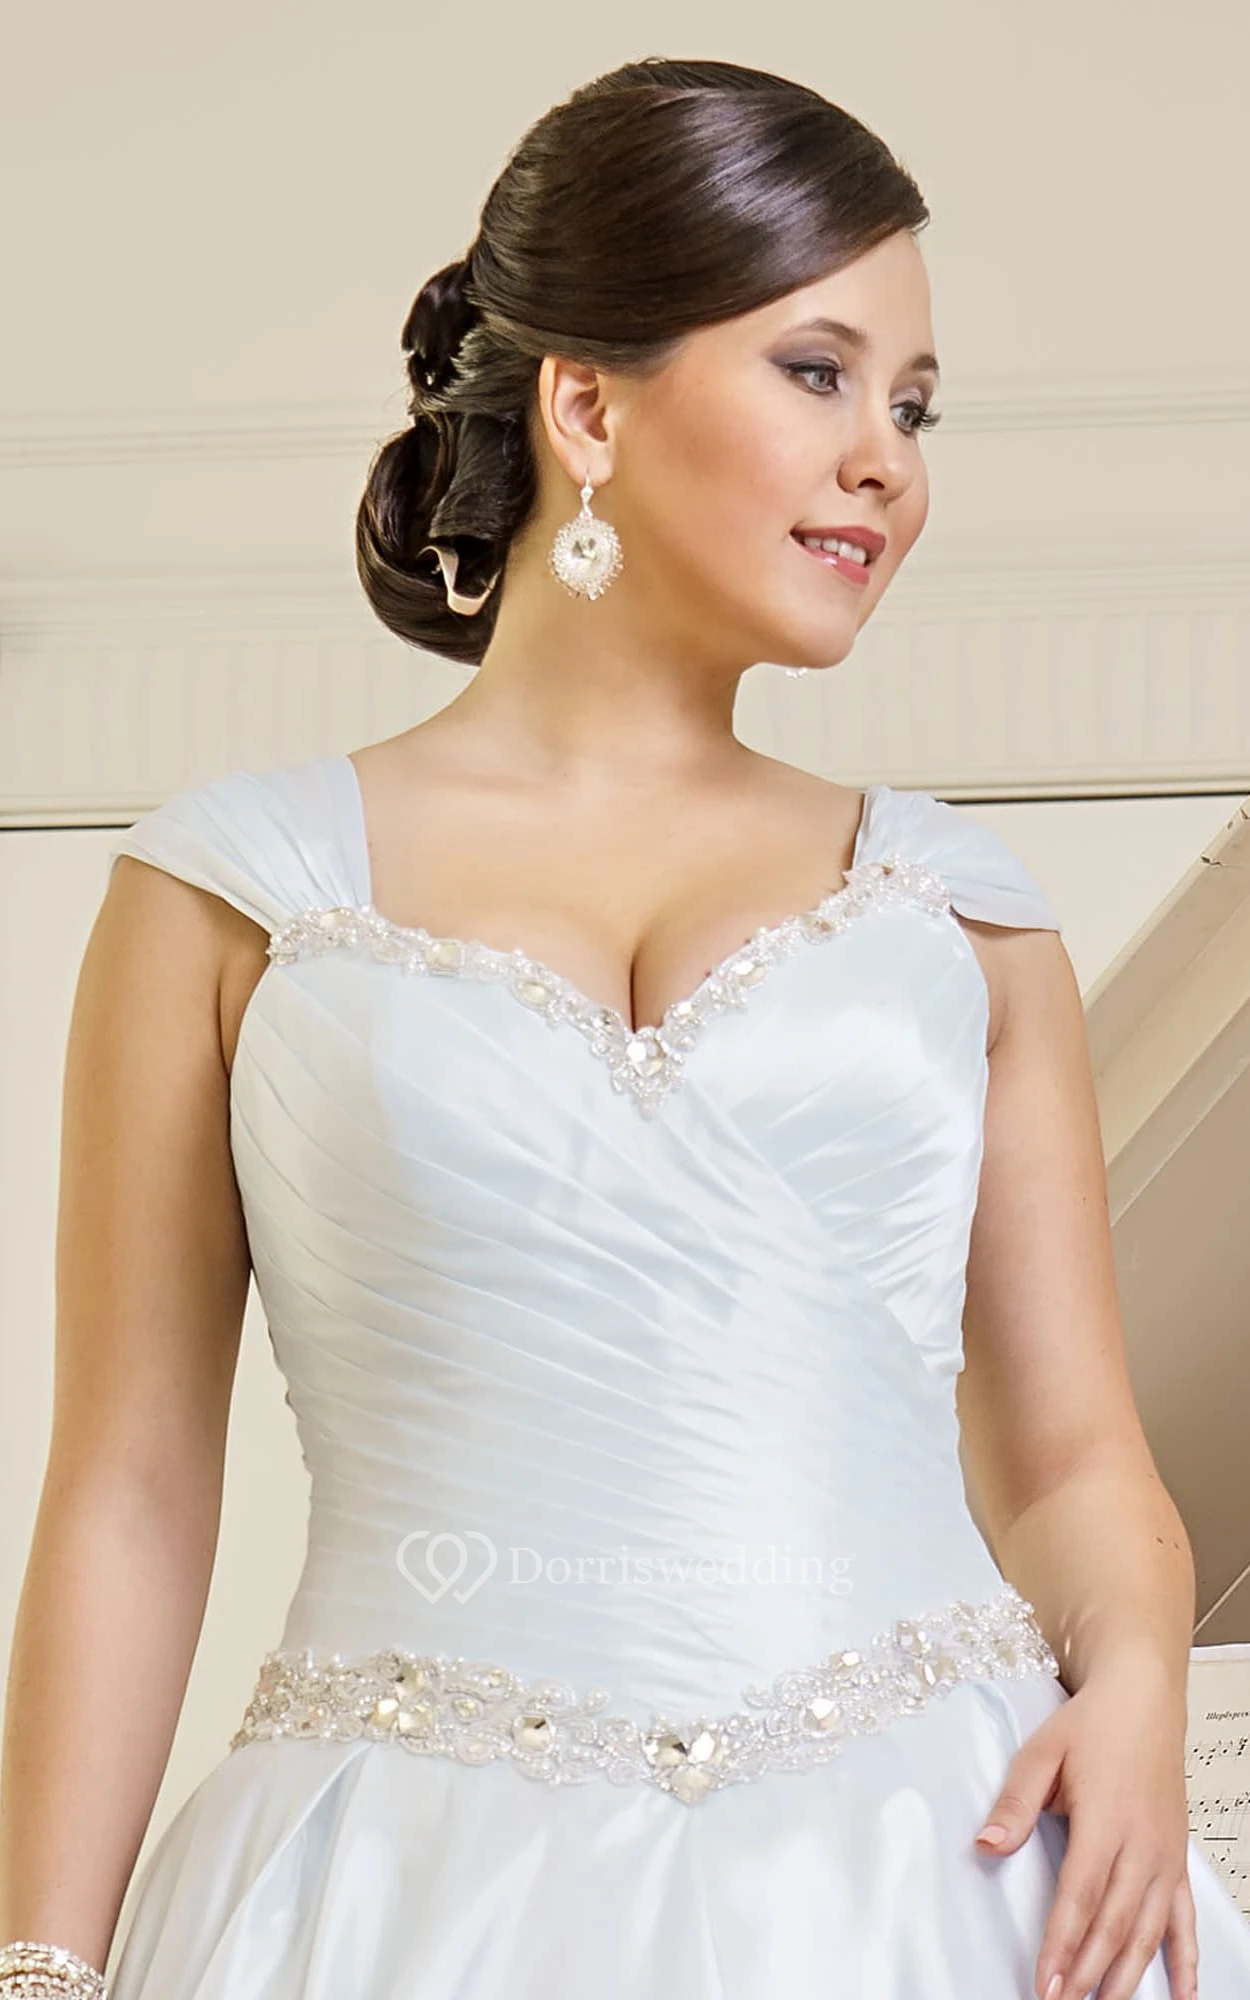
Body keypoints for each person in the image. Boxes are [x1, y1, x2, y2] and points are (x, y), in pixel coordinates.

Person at [2, 51, 1249, 2000]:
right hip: (397, 1890)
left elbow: (1073, 1460)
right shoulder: (233, 893)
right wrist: (42, 1971)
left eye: (914, 406)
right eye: (818, 372)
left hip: (936, 1873)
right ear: (586, 404)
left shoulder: (959, 913)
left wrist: (1143, 1686)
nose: (886, 461)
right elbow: (132, 1494)